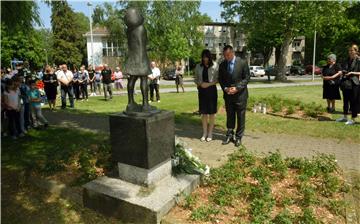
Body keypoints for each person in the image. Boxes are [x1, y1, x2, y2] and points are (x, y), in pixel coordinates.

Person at [218, 45, 250, 147]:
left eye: (228, 55)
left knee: (240, 117)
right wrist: (225, 88)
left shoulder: (242, 62)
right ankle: (229, 135)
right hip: (228, 96)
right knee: (230, 116)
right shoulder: (222, 64)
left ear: (233, 53)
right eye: (225, 55)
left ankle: (239, 137)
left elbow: (247, 78)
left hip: (240, 95)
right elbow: (221, 79)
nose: (226, 57)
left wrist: (237, 88)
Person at [194, 49, 218, 142]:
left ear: (210, 57)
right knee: (204, 113)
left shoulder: (215, 66)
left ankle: (210, 133)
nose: (205, 59)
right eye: (203, 57)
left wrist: (208, 84)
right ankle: (204, 133)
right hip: (202, 92)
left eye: (207, 57)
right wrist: (199, 84)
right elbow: (195, 78)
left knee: (211, 113)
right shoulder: (198, 66)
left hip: (211, 90)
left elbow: (218, 79)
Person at [337, 44, 360, 125]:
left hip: (354, 82)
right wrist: (342, 71)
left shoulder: (358, 60)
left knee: (353, 101)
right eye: (349, 50)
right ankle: (344, 117)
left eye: (352, 50)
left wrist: (352, 72)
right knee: (345, 100)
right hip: (346, 82)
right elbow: (344, 68)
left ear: (356, 51)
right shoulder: (347, 59)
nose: (350, 52)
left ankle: (353, 119)